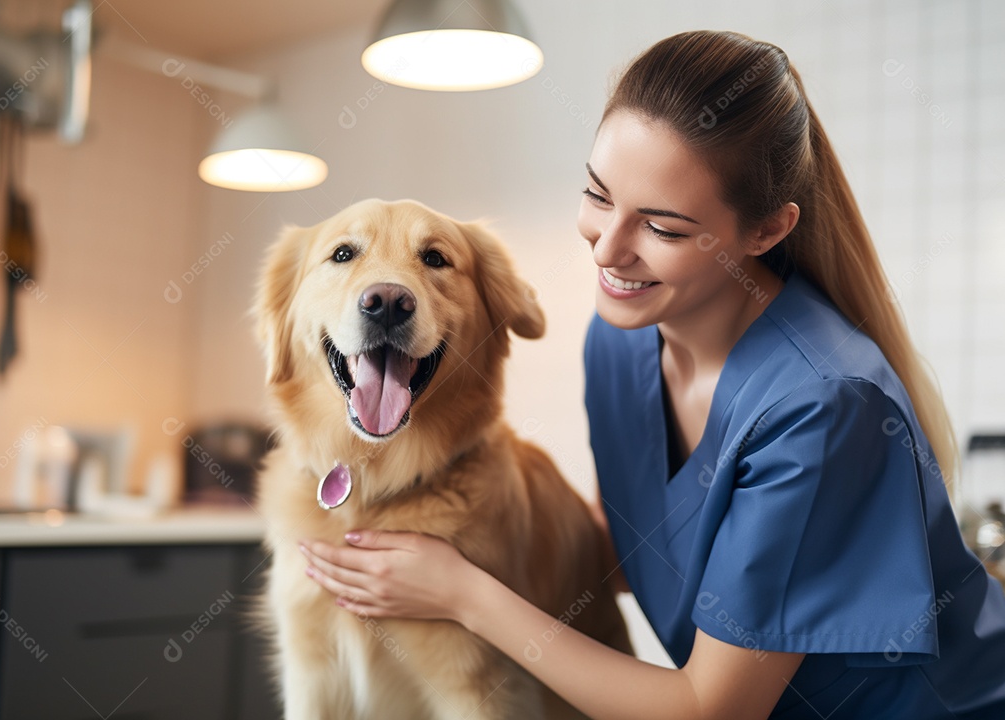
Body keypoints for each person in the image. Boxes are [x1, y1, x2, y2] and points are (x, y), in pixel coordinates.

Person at [299, 30, 1005, 719]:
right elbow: (652, 535)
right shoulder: (622, 341)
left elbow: (707, 706)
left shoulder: (821, 406)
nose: (607, 249)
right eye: (598, 195)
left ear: (764, 232)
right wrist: (484, 518)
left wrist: (463, 593)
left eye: (661, 227)